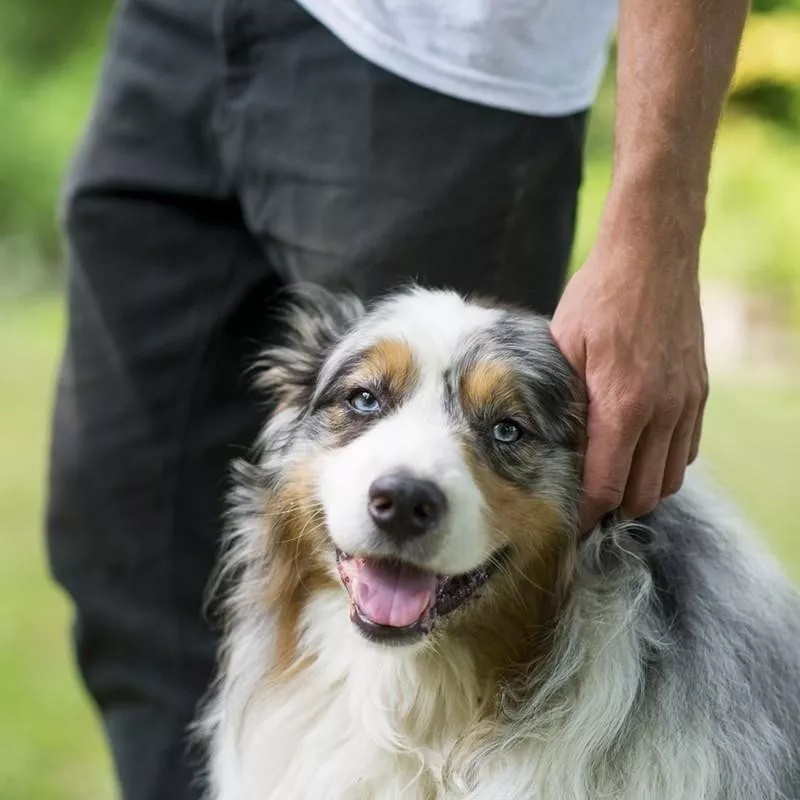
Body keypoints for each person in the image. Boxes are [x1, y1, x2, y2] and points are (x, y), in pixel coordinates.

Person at [45, 0, 748, 797]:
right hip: (175, 30)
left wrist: (658, 222)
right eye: (366, 400)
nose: (404, 478)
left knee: (469, 650)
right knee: (125, 549)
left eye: (505, 428)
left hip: (453, 62)